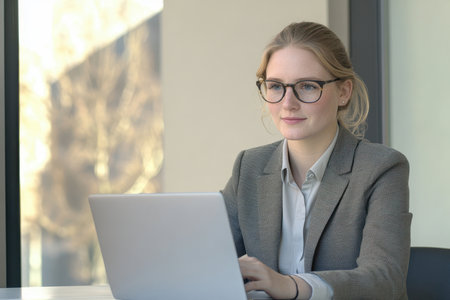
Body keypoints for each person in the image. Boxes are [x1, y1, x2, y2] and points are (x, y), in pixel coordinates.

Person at [221, 21, 412, 300]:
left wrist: (290, 285)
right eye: (276, 86)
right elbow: (208, 261)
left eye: (307, 86)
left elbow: (384, 280)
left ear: (344, 92)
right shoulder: (248, 167)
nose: (288, 103)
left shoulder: (381, 168)